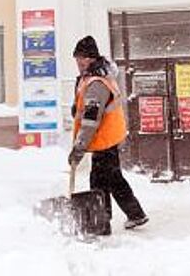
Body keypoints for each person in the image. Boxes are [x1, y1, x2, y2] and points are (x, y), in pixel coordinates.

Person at [68, 35, 148, 236]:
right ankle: (130, 215)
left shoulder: (96, 83)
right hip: (106, 138)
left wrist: (79, 147)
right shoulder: (96, 77)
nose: (78, 63)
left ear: (90, 58)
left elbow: (90, 120)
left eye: (80, 59)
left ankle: (101, 223)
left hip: (103, 138)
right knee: (110, 179)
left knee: (100, 182)